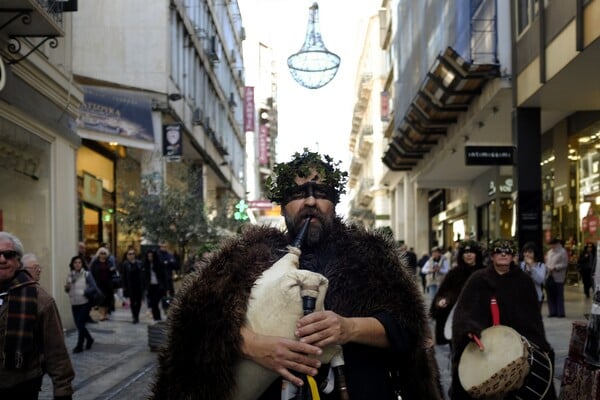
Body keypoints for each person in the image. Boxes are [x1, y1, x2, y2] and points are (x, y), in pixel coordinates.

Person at [151, 149, 443, 399]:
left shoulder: (372, 256)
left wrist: (348, 328)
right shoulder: (246, 256)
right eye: (299, 193)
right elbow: (194, 325)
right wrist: (254, 346)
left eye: (321, 193)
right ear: (282, 205)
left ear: (334, 203)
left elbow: (408, 330)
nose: (311, 201)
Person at [449, 238, 556, 400]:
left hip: (517, 344)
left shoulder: (524, 281)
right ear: (492, 256)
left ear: (513, 256)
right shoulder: (478, 279)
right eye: (499, 251)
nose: (504, 255)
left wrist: (538, 342)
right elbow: (464, 311)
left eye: (508, 252)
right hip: (485, 345)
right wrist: (468, 328)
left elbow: (532, 318)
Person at [0, 231, 74, 399]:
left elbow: (56, 352)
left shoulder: (40, 299)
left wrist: (63, 392)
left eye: (8, 254)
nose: (2, 259)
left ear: (18, 261)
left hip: (20, 387)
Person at [429, 240, 484, 346]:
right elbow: (443, 293)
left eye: (472, 252)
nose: (468, 255)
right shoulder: (454, 273)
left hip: (479, 321)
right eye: (465, 252)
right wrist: (443, 300)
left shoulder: (484, 273)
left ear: (477, 254)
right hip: (456, 320)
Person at [64, 255, 96, 353]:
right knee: (79, 325)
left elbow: (93, 287)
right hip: (74, 303)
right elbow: (67, 290)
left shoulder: (86, 274)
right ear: (72, 264)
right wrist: (67, 287)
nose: (77, 264)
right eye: (75, 262)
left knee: (80, 324)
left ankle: (79, 346)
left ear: (82, 264)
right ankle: (89, 339)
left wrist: (85, 292)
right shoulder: (70, 275)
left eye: (79, 262)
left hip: (84, 303)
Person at [89, 247, 117, 320]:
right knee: (100, 299)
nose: (103, 255)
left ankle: (105, 314)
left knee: (108, 300)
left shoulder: (109, 262)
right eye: (101, 253)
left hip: (108, 284)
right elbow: (91, 272)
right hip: (99, 283)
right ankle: (101, 315)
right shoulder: (95, 263)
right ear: (98, 254)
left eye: (104, 253)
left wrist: (112, 270)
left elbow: (114, 272)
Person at [121, 248, 147, 323]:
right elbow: (124, 276)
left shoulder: (139, 263)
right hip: (130, 286)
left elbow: (143, 275)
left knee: (138, 302)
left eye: (133, 254)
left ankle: (137, 315)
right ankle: (134, 316)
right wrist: (124, 286)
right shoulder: (125, 264)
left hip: (139, 286)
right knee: (132, 302)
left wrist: (144, 285)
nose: (131, 255)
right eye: (129, 254)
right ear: (127, 255)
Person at [520, 241, 547, 311]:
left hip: (536, 297)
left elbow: (540, 280)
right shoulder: (521, 265)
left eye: (530, 252)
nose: (527, 254)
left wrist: (532, 267)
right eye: (525, 252)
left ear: (534, 253)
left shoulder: (541, 266)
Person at [143, 249, 169, 322]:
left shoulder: (159, 264)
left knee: (155, 302)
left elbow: (164, 276)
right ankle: (156, 317)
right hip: (150, 286)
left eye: (151, 256)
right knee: (152, 303)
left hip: (158, 286)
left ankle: (157, 317)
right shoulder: (146, 265)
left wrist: (166, 288)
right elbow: (144, 277)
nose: (150, 258)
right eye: (148, 256)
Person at [545, 237, 568, 318]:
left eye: (552, 244)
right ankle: (552, 311)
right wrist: (548, 268)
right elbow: (547, 262)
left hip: (558, 277)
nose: (551, 246)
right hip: (549, 276)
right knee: (550, 295)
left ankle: (560, 312)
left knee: (559, 294)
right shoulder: (549, 252)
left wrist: (555, 267)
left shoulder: (562, 252)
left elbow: (565, 264)